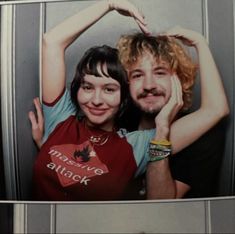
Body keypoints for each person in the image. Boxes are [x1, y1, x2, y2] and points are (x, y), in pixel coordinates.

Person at [29, 0, 229, 200]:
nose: (96, 100)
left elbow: (216, 110)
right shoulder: (60, 117)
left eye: (109, 89)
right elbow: (51, 41)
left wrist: (199, 43)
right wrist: (109, 4)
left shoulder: (137, 145)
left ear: (123, 95)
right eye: (88, 87)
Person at [116, 27, 229, 198]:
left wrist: (162, 131)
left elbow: (161, 206)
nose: (149, 85)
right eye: (137, 75)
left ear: (179, 79)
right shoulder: (119, 123)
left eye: (160, 73)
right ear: (127, 83)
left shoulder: (203, 136)